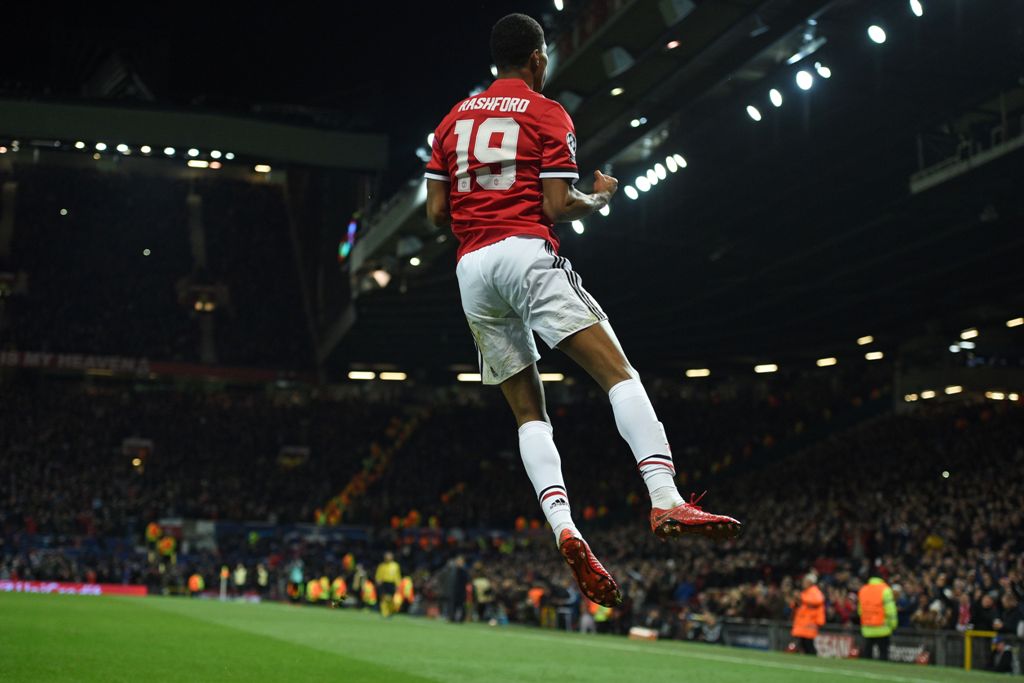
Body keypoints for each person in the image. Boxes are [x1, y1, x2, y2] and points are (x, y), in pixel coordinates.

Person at [424, 12, 740, 609]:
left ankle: (564, 527)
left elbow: (438, 213)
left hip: (472, 270)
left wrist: (476, 218)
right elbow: (554, 201)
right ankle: (665, 495)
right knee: (619, 374)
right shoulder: (547, 113)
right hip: (525, 251)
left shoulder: (448, 123)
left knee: (527, 413)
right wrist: (597, 198)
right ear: (538, 58)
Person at [858, 575, 897, 660]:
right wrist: (893, 624)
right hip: (882, 628)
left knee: (867, 655)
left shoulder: (863, 590)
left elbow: (860, 610)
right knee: (883, 655)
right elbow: (890, 610)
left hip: (867, 629)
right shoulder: (885, 590)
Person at [791, 573, 826, 654]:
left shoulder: (815, 591)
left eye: (805, 581)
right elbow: (795, 605)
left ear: (810, 582)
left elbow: (818, 600)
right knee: (804, 645)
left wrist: (801, 598)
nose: (803, 583)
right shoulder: (805, 592)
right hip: (802, 624)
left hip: (809, 624)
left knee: (808, 646)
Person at [375, 551, 402, 618]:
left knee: (390, 598)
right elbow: (378, 574)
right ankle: (384, 613)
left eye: (389, 556)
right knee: (383, 598)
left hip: (391, 583)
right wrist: (378, 580)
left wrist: (398, 584)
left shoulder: (395, 566)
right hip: (384, 583)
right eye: (387, 556)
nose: (388, 557)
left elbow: (397, 575)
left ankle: (390, 612)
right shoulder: (382, 565)